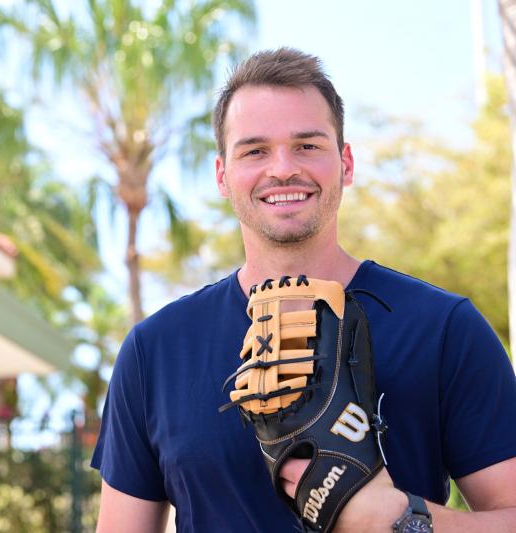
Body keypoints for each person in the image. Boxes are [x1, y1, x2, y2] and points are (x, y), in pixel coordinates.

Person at [91, 47, 516, 532]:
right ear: (222, 177)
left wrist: (401, 520)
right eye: (254, 150)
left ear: (346, 163)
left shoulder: (443, 328)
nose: (283, 169)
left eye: (308, 145)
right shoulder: (155, 351)